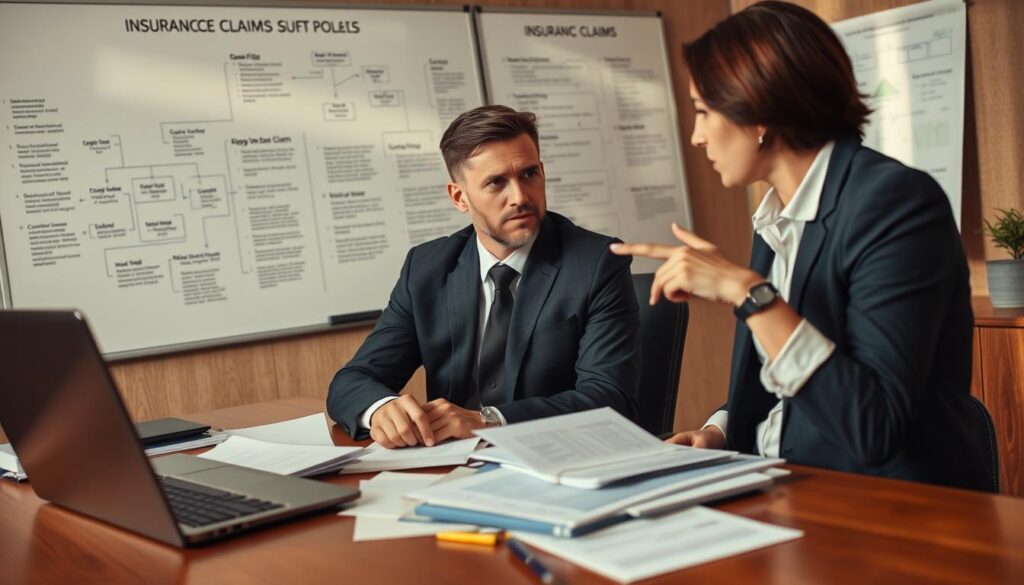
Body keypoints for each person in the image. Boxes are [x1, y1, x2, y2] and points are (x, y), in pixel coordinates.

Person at [612, 1, 989, 490]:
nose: (697, 136)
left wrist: (749, 292)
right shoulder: (779, 214)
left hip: (886, 509)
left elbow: (872, 427)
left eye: (704, 112)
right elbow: (786, 383)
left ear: (759, 110)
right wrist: (721, 431)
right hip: (784, 487)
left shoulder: (894, 204)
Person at [328, 105, 641, 448]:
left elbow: (609, 397)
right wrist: (381, 409)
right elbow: (354, 380)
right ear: (459, 197)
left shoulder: (596, 263)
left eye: (529, 174)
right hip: (447, 464)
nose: (520, 197)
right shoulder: (427, 268)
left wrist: (489, 421)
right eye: (496, 183)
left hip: (557, 458)